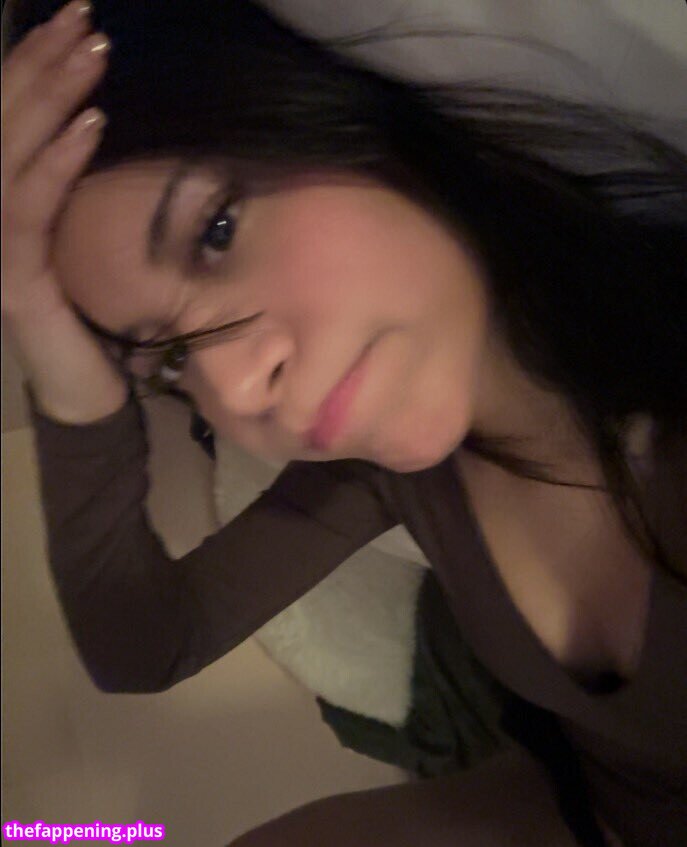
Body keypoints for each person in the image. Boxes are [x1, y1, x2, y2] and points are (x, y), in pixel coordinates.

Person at [2, 1, 686, 845]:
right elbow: (145, 644)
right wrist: (56, 360)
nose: (233, 388)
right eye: (171, 361)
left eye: (216, 230)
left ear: (342, 124)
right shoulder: (392, 473)